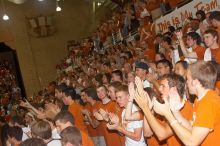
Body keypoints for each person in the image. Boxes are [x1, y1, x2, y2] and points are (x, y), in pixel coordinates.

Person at [153, 61, 220, 146]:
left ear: (195, 82)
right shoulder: (200, 100)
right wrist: (175, 111)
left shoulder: (208, 103)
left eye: (188, 79)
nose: (186, 82)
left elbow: (192, 143)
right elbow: (192, 128)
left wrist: (167, 114)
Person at [134, 74, 193, 146]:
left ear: (174, 89)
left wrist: (145, 108)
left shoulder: (185, 107)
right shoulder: (165, 106)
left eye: (163, 86)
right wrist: (148, 109)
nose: (159, 89)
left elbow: (162, 135)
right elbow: (147, 133)